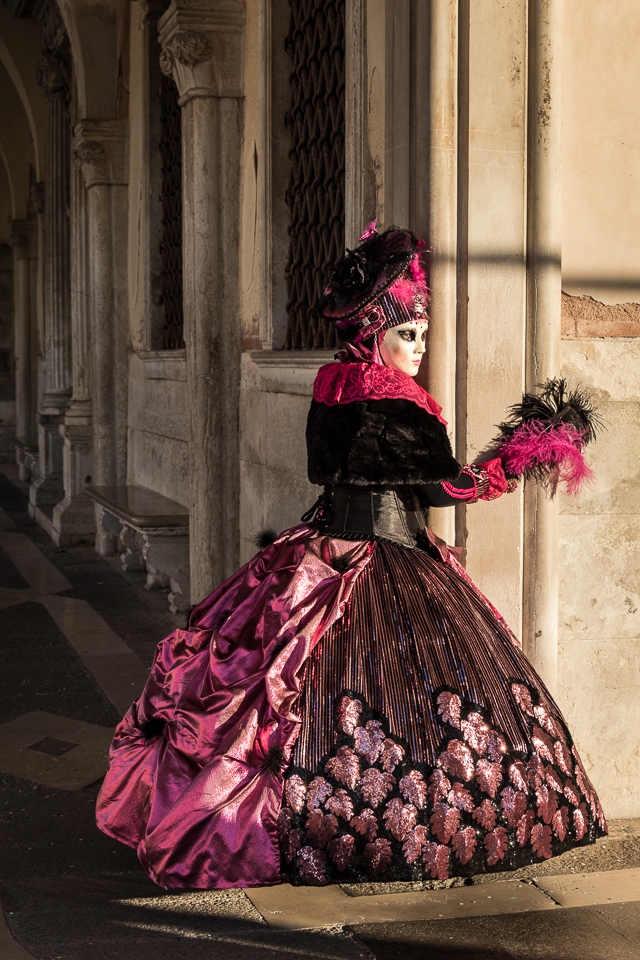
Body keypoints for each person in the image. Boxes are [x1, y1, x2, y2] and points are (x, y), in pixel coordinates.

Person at [96, 224, 607, 890]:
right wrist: (516, 457)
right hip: (390, 560)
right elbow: (441, 489)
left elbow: (335, 473)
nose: (419, 349)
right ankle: (387, 834)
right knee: (410, 708)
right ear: (373, 334)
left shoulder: (331, 388)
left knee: (309, 694)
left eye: (422, 334)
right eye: (407, 335)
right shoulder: (398, 402)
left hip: (323, 549)